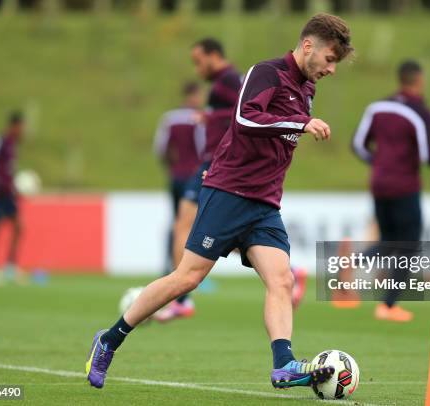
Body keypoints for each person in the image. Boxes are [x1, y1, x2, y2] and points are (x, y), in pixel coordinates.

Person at [86, 13, 353, 390]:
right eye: (329, 59)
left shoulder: (307, 90)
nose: (331, 69)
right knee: (187, 278)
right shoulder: (266, 73)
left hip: (263, 203)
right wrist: (299, 124)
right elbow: (246, 119)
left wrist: (296, 125)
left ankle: (284, 365)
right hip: (229, 192)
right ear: (308, 46)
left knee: (281, 279)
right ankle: (109, 339)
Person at [351, 60, 430, 322]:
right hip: (404, 186)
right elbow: (428, 155)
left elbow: (358, 144)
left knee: (388, 241)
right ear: (419, 80)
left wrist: (380, 164)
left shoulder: (377, 107)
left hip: (379, 183)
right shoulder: (420, 113)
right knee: (409, 246)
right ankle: (388, 305)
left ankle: (352, 263)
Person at [161, 38, 242, 320]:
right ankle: (288, 271)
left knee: (183, 225)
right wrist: (213, 117)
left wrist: (213, 117)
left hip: (214, 161)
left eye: (199, 61)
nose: (197, 69)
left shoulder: (228, 81)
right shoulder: (227, 81)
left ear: (214, 55)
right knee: (209, 232)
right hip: (218, 162)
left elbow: (248, 113)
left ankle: (180, 298)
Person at [153, 81, 205, 288]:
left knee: (176, 222)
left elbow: (160, 148)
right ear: (194, 96)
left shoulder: (170, 118)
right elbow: (205, 149)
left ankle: (168, 268)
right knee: (191, 224)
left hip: (175, 177)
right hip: (193, 178)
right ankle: (183, 270)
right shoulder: (200, 119)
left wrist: (171, 166)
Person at [0, 112, 25, 285]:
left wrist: (15, 187)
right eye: (21, 127)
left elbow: (9, 171)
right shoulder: (0, 142)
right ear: (14, 126)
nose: (23, 131)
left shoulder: (12, 145)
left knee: (18, 227)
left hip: (8, 193)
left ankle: (9, 267)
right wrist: (1, 187)